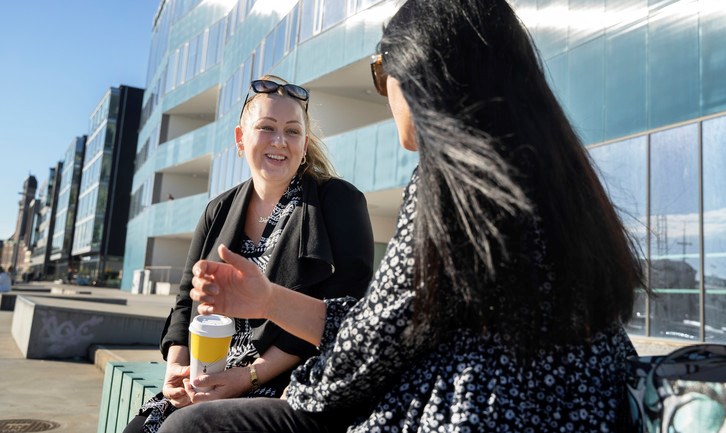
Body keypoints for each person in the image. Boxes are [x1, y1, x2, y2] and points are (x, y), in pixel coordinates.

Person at [159, 1, 648, 431]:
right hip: (580, 409)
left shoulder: (449, 180)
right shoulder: (556, 168)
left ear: (423, 72)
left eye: (381, 71)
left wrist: (294, 387)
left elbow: (378, 338)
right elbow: (396, 317)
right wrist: (265, 301)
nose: (384, 90)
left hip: (475, 411)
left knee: (191, 428)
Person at [124, 75, 374, 433]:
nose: (279, 142)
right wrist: (177, 371)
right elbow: (185, 300)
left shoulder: (339, 201)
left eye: (292, 131)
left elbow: (343, 311)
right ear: (241, 140)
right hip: (208, 375)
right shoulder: (219, 210)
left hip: (288, 380)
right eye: (267, 128)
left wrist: (248, 376)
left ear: (305, 144)